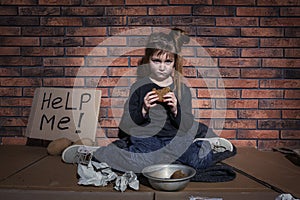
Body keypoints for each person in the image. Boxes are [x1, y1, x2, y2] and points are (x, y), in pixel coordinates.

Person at [62, 28, 235, 175]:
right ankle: (94, 154)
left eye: (168, 61)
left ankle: (206, 145)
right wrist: (143, 110)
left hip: (174, 139)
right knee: (141, 164)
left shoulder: (183, 89)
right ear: (148, 60)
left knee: (196, 161)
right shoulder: (139, 87)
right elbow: (126, 126)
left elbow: (186, 124)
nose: (162, 66)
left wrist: (176, 110)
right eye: (156, 61)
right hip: (146, 139)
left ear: (174, 63)